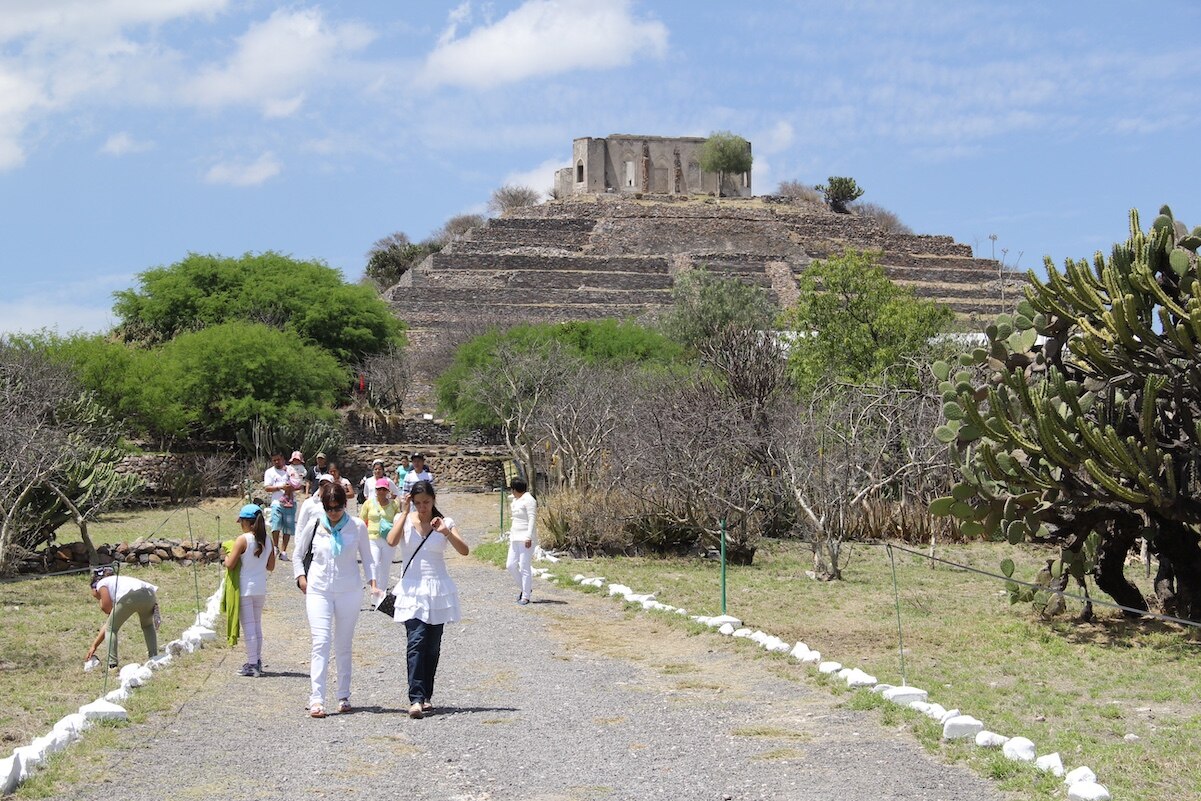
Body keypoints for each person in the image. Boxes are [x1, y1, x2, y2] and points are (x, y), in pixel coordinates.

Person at [385, 479, 469, 719]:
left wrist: (445, 532)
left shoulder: (445, 523)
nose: (422, 508)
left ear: (434, 501)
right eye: (418, 503)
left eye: (427, 502)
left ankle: (426, 694)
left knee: (432, 646)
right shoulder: (404, 520)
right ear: (411, 501)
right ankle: (416, 698)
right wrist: (403, 512)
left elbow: (464, 550)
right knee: (416, 640)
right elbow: (391, 541)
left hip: (437, 588)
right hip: (411, 589)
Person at [292, 483, 377, 718]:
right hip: (318, 590)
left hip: (349, 590)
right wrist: (301, 577)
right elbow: (298, 554)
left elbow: (368, 559)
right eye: (329, 509)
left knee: (343, 643)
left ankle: (343, 694)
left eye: (337, 508)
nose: (333, 513)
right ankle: (317, 698)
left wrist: (373, 583)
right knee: (321, 641)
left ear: (345, 505)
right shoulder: (316, 524)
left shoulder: (357, 526)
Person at [224, 504, 277, 677]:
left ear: (248, 523)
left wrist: (226, 557)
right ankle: (257, 660)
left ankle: (252, 663)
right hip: (260, 587)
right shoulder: (267, 539)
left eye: (242, 522)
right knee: (256, 625)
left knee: (248, 627)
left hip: (245, 588)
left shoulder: (243, 540)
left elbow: (230, 564)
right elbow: (271, 566)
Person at [86, 567, 159, 668]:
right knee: (147, 626)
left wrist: (101, 600)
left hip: (131, 595)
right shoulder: (118, 581)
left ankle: (112, 664)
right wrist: (94, 646)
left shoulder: (101, 584)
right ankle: (154, 657)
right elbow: (110, 621)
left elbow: (106, 609)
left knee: (112, 629)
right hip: (149, 594)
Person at [361, 477, 401, 590]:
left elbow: (398, 521)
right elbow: (362, 520)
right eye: (379, 489)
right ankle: (374, 590)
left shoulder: (394, 505)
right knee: (375, 564)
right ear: (375, 490)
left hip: (388, 539)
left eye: (384, 489)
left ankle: (382, 593)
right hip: (372, 538)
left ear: (388, 491)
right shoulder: (368, 503)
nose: (381, 492)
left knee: (385, 567)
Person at [506, 477, 538, 606]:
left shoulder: (529, 500)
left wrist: (529, 536)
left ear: (515, 489)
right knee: (510, 565)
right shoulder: (515, 500)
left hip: (525, 537)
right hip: (515, 536)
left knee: (524, 566)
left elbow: (532, 519)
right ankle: (525, 588)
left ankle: (526, 596)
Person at [264, 452, 300, 561]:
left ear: (282, 459)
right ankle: (275, 547)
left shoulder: (290, 470)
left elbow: (298, 484)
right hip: (276, 502)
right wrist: (280, 487)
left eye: (278, 459)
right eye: (274, 460)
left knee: (287, 528)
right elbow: (267, 487)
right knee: (275, 524)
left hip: (290, 503)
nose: (276, 462)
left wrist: (291, 488)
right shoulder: (270, 472)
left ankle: (284, 550)